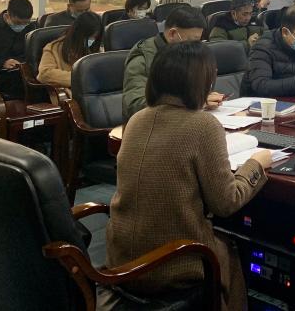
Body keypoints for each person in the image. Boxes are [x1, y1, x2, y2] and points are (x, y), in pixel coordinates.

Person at [107, 41, 271, 306]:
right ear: (201, 81)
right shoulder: (203, 125)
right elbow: (226, 202)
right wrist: (256, 165)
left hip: (122, 260)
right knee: (230, 249)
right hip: (173, 263)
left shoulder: (137, 119)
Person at [123, 7, 218, 122]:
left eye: (198, 42)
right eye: (192, 42)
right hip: (148, 126)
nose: (194, 47)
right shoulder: (143, 57)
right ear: (172, 34)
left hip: (184, 120)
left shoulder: (187, 55)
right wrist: (192, 103)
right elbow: (134, 105)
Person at [37, 12, 102, 89]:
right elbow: (44, 74)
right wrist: (81, 79)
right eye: (90, 37)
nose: (92, 40)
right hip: (70, 92)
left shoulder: (95, 48)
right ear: (78, 34)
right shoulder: (53, 48)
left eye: (95, 38)